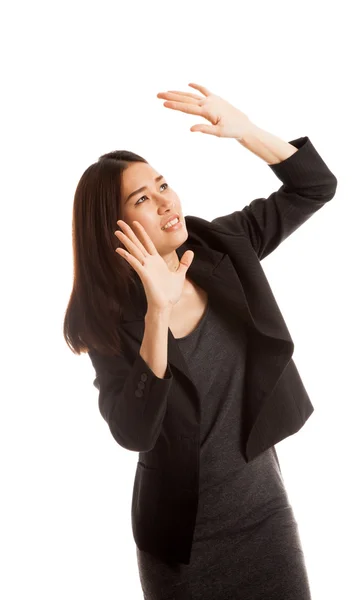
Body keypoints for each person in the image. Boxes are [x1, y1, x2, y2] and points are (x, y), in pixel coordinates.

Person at [63, 83, 337, 599]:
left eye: (163, 184)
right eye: (143, 198)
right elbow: (134, 431)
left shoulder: (221, 245)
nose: (166, 201)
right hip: (181, 540)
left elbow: (314, 187)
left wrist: (247, 131)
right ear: (114, 227)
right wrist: (157, 313)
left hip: (264, 513)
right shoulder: (108, 320)